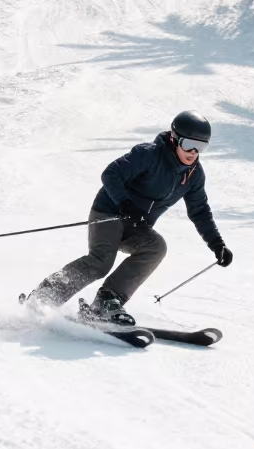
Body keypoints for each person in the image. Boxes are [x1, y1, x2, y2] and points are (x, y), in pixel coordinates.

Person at [24, 111, 233, 325]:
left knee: (156, 247)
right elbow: (111, 173)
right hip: (110, 213)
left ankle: (106, 302)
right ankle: (45, 295)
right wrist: (125, 204)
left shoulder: (194, 175)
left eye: (201, 147)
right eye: (189, 144)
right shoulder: (149, 154)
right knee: (101, 261)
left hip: (137, 225)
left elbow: (199, 211)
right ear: (174, 138)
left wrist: (217, 244)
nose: (193, 152)